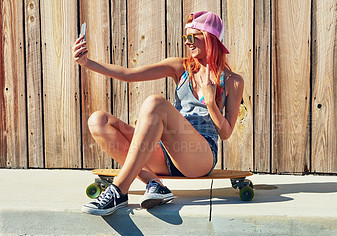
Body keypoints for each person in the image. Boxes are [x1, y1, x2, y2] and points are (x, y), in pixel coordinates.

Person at [73, 11, 244, 216]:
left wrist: (210, 102)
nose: (187, 43)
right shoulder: (180, 67)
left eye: (192, 37)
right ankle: (155, 184)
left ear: (210, 38)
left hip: (199, 157)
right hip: (166, 154)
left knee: (156, 103)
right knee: (98, 121)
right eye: (185, 38)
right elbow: (129, 75)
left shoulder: (233, 81)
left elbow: (225, 134)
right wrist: (87, 63)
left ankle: (119, 190)